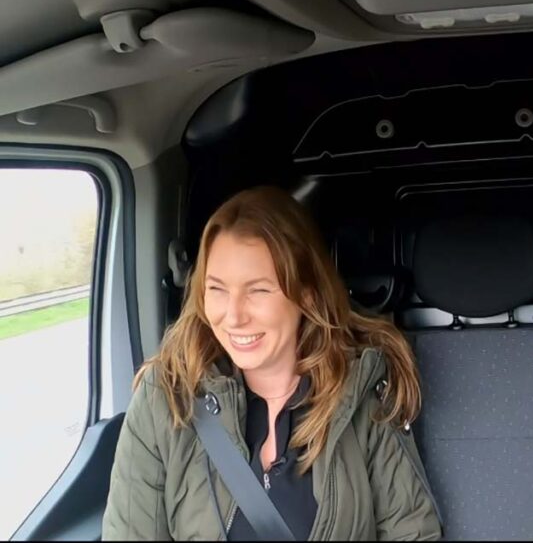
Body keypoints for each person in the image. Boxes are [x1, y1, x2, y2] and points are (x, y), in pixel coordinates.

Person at [102, 186, 442, 540]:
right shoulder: (166, 397)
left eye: (258, 290)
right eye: (217, 289)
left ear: (306, 295)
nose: (233, 317)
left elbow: (412, 532)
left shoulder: (362, 393)